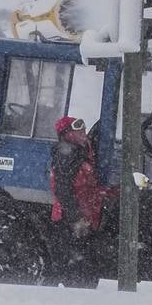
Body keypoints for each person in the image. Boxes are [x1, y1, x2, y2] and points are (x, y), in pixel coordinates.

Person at [49, 115, 111, 286]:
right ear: (66, 133)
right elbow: (62, 189)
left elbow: (89, 188)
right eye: (77, 129)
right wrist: (76, 218)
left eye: (83, 128)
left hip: (85, 218)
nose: (82, 132)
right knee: (77, 266)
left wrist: (110, 192)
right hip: (71, 220)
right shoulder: (67, 155)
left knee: (85, 266)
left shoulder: (82, 152)